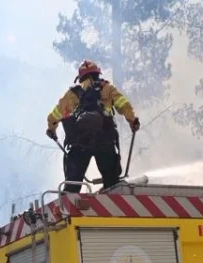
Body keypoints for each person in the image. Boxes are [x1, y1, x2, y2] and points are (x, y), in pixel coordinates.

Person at [46, 60, 140, 191]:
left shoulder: (73, 94)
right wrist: (133, 121)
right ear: (97, 74)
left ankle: (70, 204)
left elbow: (56, 114)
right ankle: (113, 201)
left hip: (80, 143)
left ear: (80, 78)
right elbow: (124, 105)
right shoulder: (107, 88)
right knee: (112, 183)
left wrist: (51, 129)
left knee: (73, 183)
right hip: (105, 140)